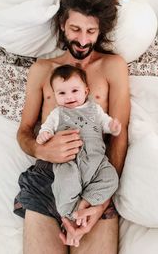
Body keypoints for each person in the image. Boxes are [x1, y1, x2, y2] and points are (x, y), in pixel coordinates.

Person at [14, 0, 130, 253]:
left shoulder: (113, 66)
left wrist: (101, 200)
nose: (82, 40)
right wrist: (41, 149)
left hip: (95, 175)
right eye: (75, 29)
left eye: (91, 31)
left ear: (100, 30)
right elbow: (24, 132)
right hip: (48, 178)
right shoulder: (42, 69)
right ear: (62, 25)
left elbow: (119, 135)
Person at [36, 64, 121, 223]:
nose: (69, 97)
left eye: (74, 91)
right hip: (70, 161)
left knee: (111, 178)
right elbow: (46, 127)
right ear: (55, 96)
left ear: (86, 91)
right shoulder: (58, 113)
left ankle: (86, 202)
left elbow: (105, 123)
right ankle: (69, 212)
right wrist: (44, 135)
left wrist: (113, 127)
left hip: (97, 161)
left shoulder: (95, 109)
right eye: (62, 93)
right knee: (66, 181)